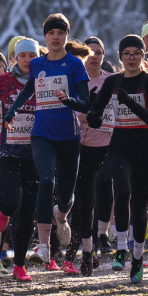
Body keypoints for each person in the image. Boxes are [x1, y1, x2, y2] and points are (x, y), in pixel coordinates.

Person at [3, 13, 90, 268]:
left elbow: (85, 102)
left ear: (66, 36)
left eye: (60, 33)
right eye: (51, 33)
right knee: (46, 180)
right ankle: (44, 246)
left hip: (68, 135)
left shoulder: (75, 65)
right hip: (42, 133)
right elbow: (27, 91)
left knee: (66, 194)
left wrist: (69, 101)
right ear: (45, 37)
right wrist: (11, 112)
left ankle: (60, 216)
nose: (55, 37)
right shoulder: (38, 65)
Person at [87, 35, 148, 283]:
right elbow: (96, 113)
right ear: (120, 57)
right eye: (127, 53)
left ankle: (137, 258)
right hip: (119, 146)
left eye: (136, 53)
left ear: (142, 56)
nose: (131, 58)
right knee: (122, 192)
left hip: (146, 148)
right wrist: (93, 114)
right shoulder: (114, 81)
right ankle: (121, 249)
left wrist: (129, 102)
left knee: (140, 208)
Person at [0, 39, 41, 280]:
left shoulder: (44, 81)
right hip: (10, 150)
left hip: (37, 152)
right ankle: (3, 210)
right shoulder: (3, 82)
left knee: (27, 211)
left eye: (33, 55)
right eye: (23, 55)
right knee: (10, 203)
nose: (28, 59)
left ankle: (19, 265)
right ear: (14, 58)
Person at [64, 36, 113, 276]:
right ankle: (81, 249)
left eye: (99, 51)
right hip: (80, 146)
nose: (94, 55)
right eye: (90, 52)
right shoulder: (75, 81)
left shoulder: (110, 81)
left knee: (102, 193)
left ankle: (99, 239)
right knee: (83, 202)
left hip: (106, 146)